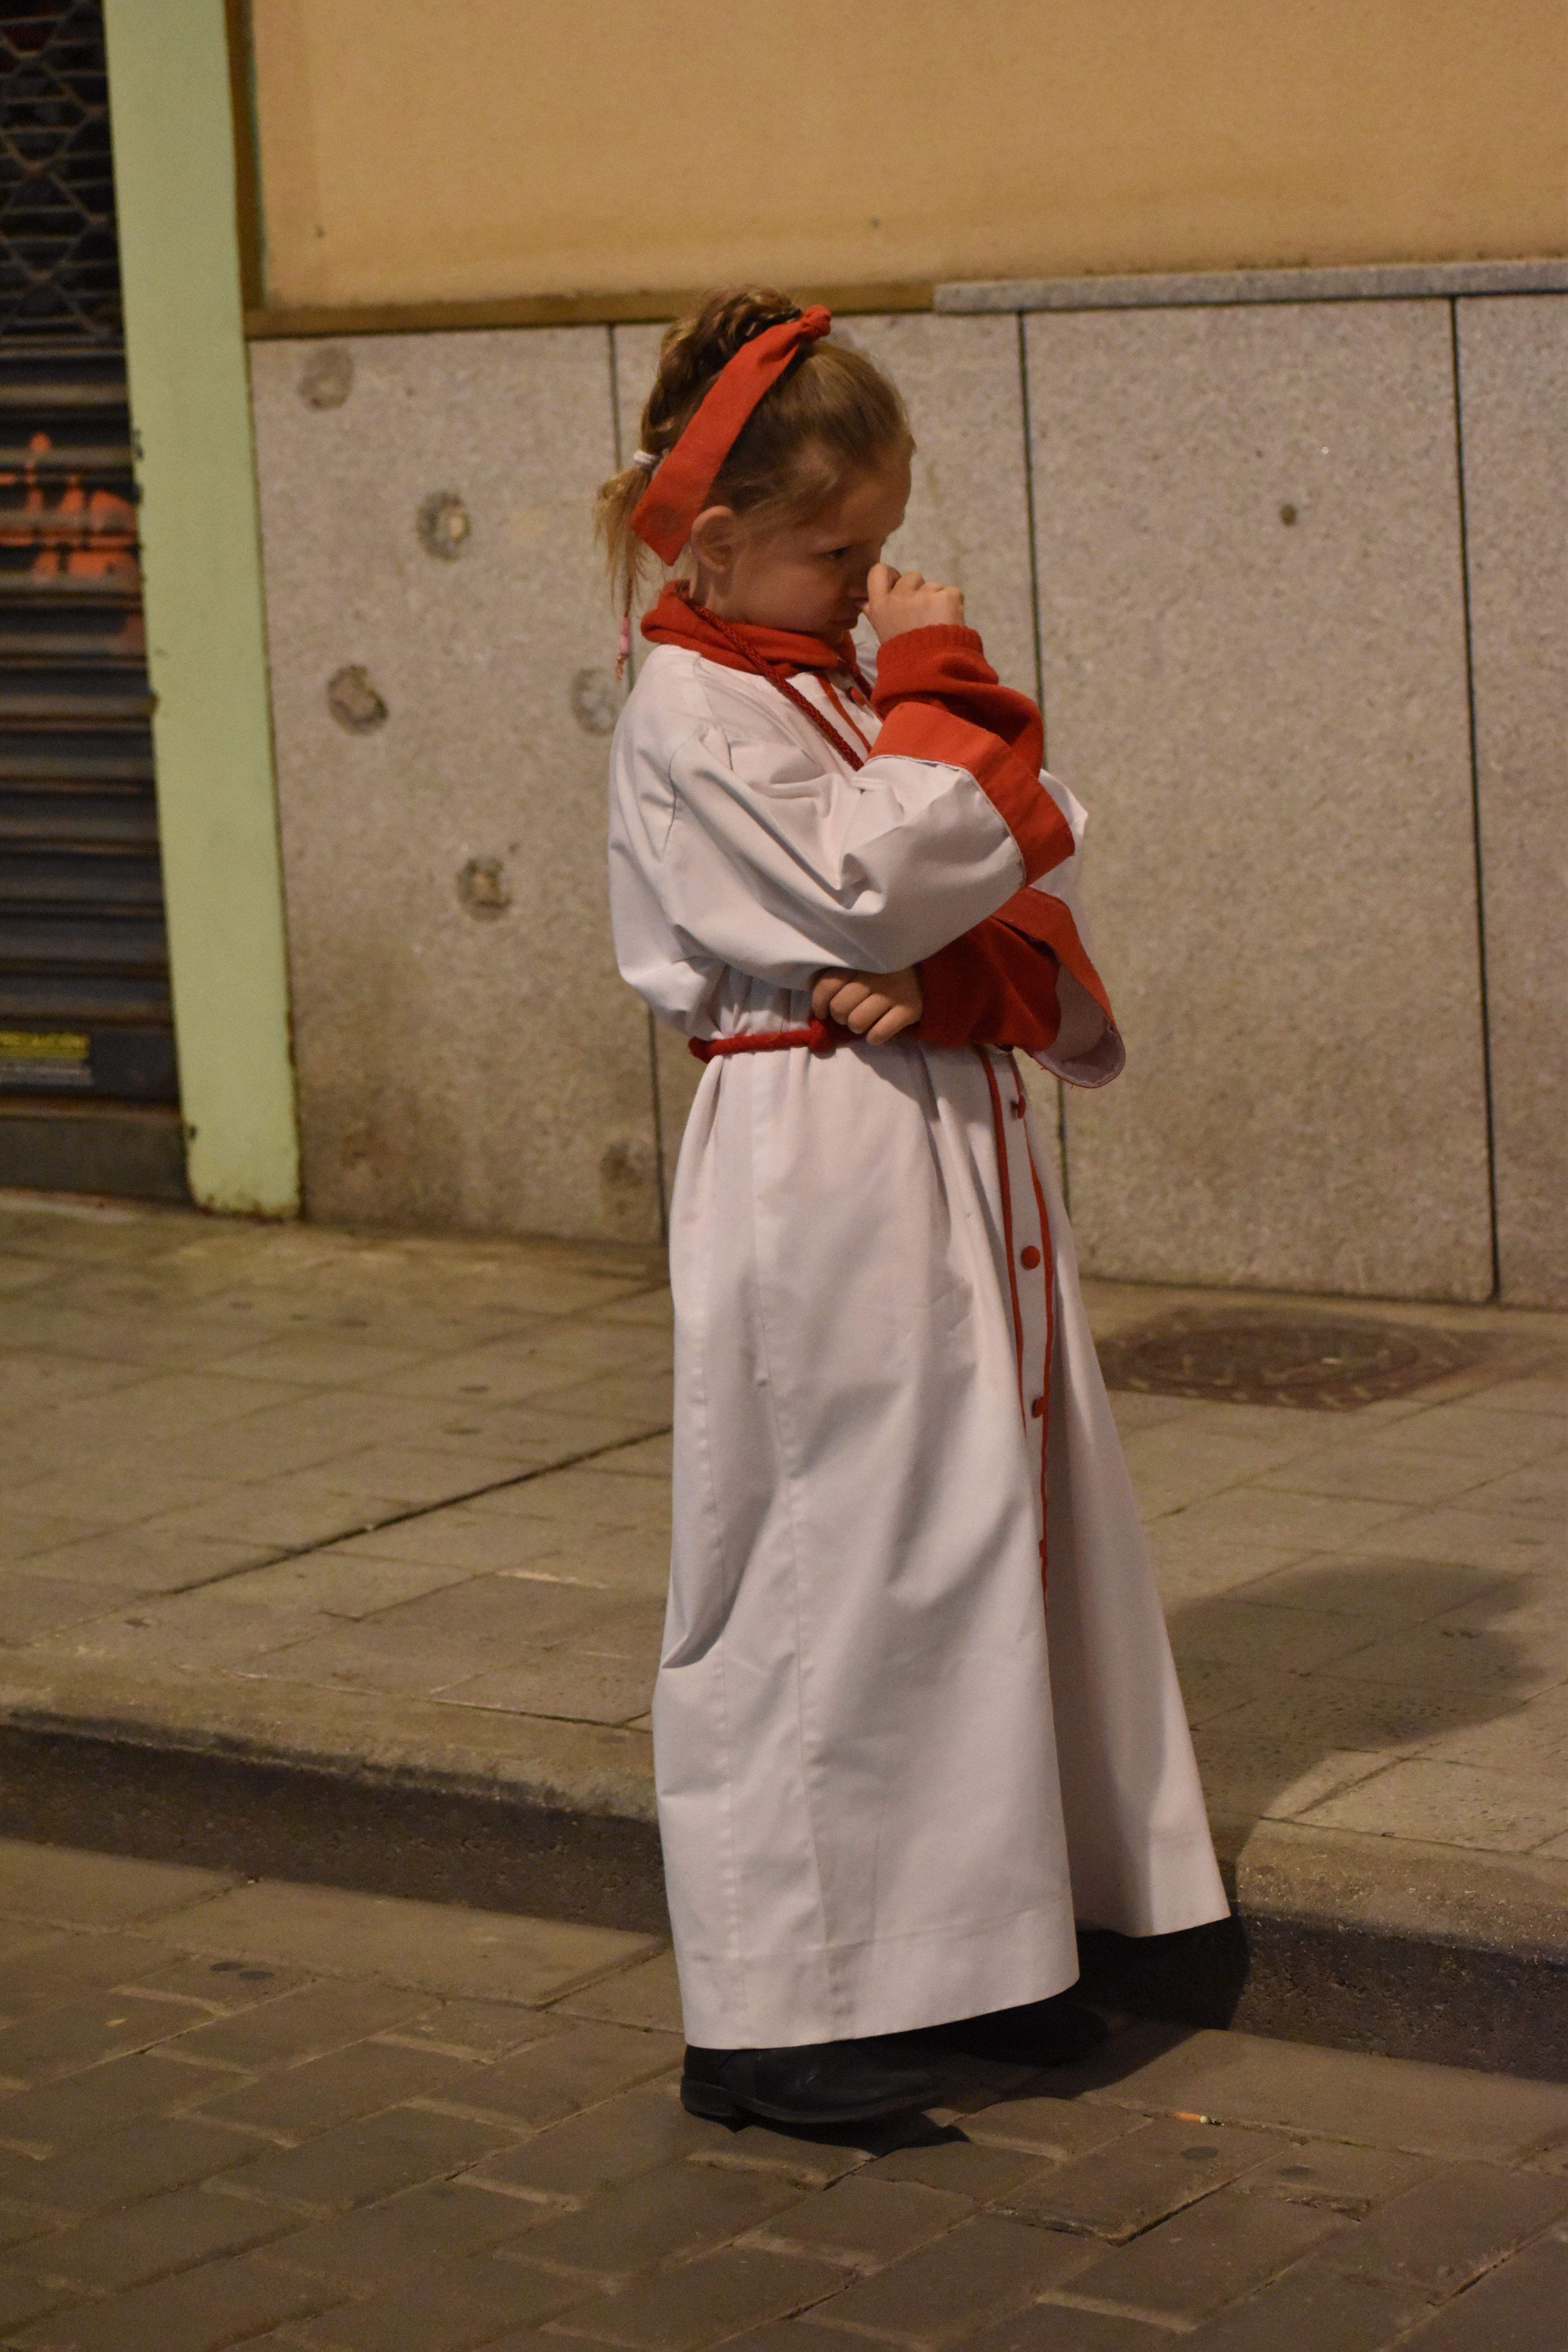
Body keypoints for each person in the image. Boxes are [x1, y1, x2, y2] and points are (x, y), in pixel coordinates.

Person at [598, 289, 1228, 2129]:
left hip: (933, 1135)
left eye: (883, 549)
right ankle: (775, 2014)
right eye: (838, 553)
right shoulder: (695, 696)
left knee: (978, 1532)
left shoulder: (822, 672)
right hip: (819, 1152)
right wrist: (944, 699)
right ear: (714, 540)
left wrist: (964, 980)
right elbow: (892, 871)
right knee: (825, 1559)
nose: (877, 586)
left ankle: (976, 1950)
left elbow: (1028, 843)